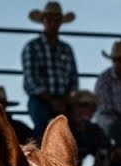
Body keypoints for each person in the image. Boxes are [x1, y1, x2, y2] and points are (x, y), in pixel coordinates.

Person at [21, 2, 78, 136]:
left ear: (60, 23)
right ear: (43, 22)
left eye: (56, 20)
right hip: (40, 99)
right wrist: (52, 100)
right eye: (49, 20)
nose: (53, 23)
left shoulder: (67, 49)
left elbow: (74, 79)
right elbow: (31, 80)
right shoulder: (32, 47)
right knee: (43, 129)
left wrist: (66, 99)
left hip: (64, 100)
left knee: (76, 128)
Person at [67, 90, 108, 166]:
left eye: (92, 108)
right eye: (83, 105)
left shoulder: (96, 130)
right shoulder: (63, 126)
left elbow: (105, 148)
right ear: (73, 107)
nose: (86, 110)